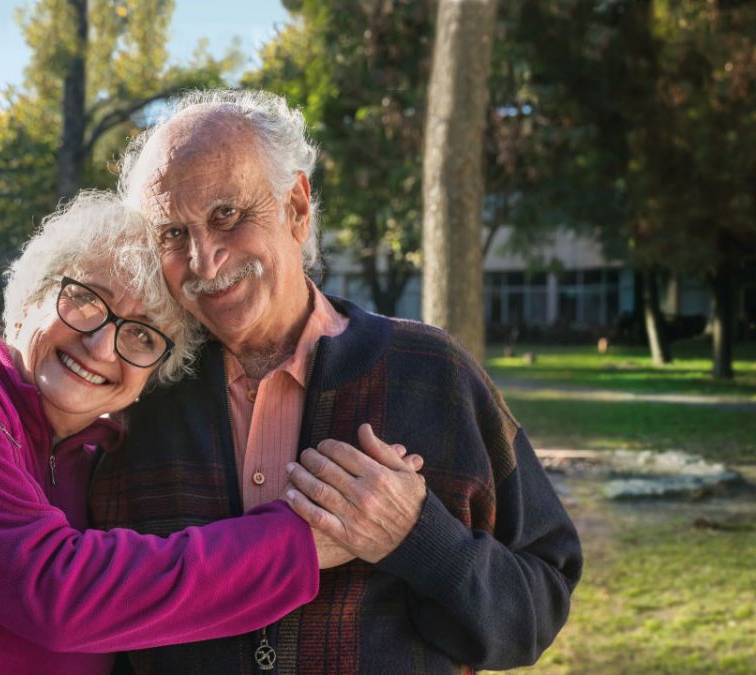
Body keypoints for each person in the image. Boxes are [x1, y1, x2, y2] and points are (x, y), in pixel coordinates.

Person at [0, 191, 373, 674]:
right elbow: (55, 593)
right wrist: (301, 543)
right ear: (31, 296)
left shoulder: (99, 464)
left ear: (152, 376)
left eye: (142, 336)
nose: (101, 345)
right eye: (87, 301)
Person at [90, 90, 584, 673]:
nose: (205, 261)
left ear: (296, 208)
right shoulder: (138, 395)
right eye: (173, 234)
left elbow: (538, 608)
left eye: (227, 214)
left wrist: (421, 540)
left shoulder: (434, 374)